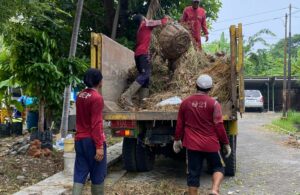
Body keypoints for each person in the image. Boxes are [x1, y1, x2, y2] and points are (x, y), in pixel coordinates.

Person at [173, 74, 231, 195]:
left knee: (193, 173)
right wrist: (226, 143)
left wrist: (177, 140)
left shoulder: (185, 103)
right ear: (210, 89)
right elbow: (219, 125)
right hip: (211, 144)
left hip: (192, 145)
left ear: (196, 86)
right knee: (219, 167)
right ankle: (214, 190)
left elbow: (180, 124)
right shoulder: (214, 104)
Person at [120, 14, 168, 108]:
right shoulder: (145, 24)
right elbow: (161, 22)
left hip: (138, 54)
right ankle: (126, 96)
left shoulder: (140, 30)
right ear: (142, 19)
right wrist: (166, 18)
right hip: (142, 54)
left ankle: (143, 103)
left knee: (146, 78)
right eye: (145, 17)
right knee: (145, 74)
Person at [72, 68, 106, 195]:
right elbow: (96, 124)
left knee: (80, 173)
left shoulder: (80, 95)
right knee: (98, 174)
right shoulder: (97, 98)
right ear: (99, 81)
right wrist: (99, 146)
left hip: (79, 140)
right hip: (92, 141)